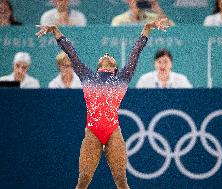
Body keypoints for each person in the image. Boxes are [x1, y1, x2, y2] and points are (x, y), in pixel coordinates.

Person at [36, 18, 170, 189]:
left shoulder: (123, 77)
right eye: (104, 55)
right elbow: (71, 53)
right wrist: (55, 31)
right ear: (98, 64)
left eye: (110, 55)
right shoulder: (87, 76)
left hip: (113, 131)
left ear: (115, 66)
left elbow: (136, 52)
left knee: (121, 180)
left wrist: (147, 28)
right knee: (83, 179)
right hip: (92, 131)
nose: (107, 55)